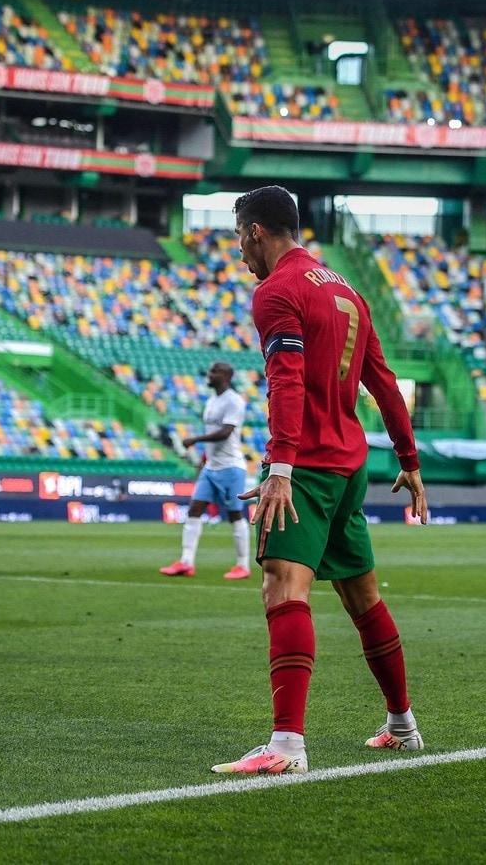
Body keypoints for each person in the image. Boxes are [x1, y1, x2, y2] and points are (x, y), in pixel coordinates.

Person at [212, 186, 428, 776]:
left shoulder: (276, 291)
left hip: (304, 465)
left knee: (283, 589)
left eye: (238, 237)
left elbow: (286, 381)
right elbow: (383, 381)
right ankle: (402, 725)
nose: (238, 250)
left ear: (257, 231)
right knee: (364, 598)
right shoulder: (348, 291)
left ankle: (286, 747)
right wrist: (408, 459)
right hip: (350, 464)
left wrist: (280, 466)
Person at [160, 361, 253, 581]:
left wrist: (195, 439)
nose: (209, 375)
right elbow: (214, 436)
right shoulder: (212, 400)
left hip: (231, 467)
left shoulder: (235, 401)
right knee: (194, 510)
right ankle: (186, 562)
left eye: (214, 372)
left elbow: (226, 432)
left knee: (234, 515)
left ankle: (243, 565)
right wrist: (203, 460)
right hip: (211, 467)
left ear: (227, 376)